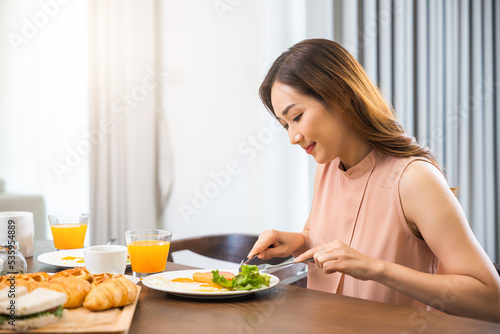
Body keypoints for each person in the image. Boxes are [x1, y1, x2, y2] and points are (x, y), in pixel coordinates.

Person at [248, 38, 500, 322]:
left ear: (340, 95)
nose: (293, 137)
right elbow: (324, 240)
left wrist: (374, 268)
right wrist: (295, 241)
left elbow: (491, 299)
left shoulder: (414, 179)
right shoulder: (328, 166)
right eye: (285, 125)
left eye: (297, 116)